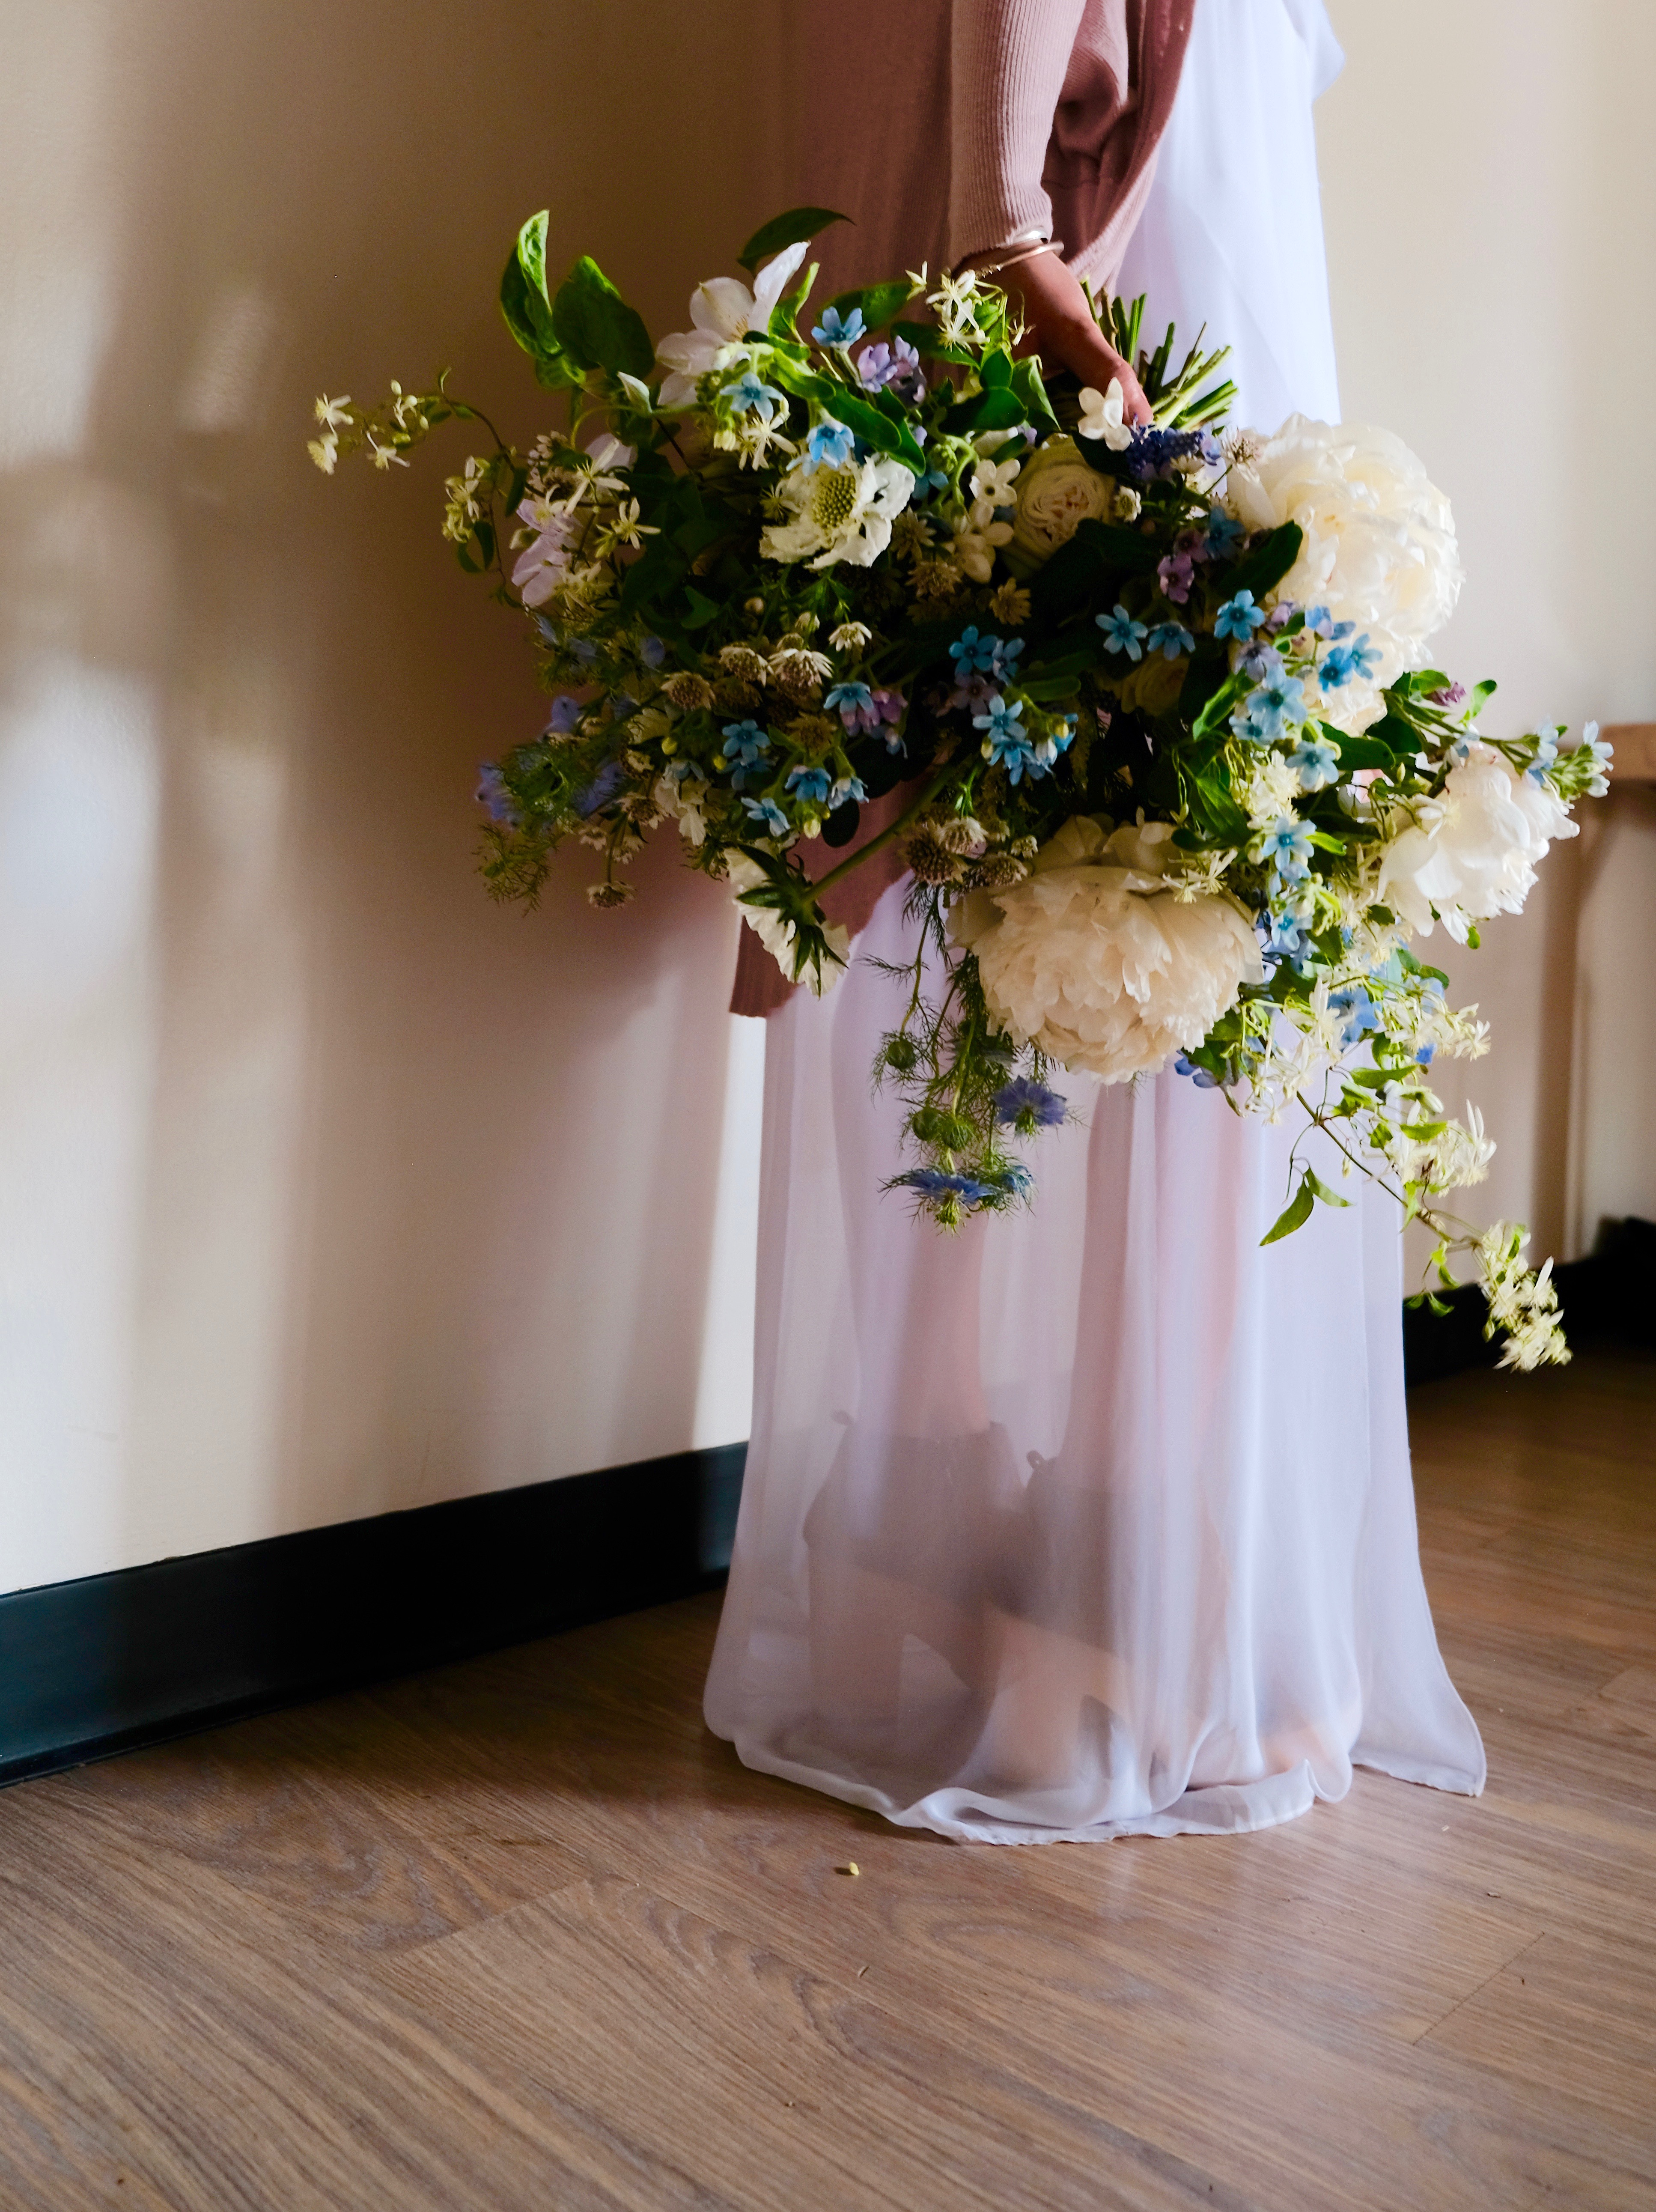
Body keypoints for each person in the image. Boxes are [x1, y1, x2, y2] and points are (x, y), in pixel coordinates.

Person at [705, 0, 1487, 1842]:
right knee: (1174, 858)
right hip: (1097, 213)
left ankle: (923, 1529)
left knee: (961, 833)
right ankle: (1128, 1580)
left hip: (983, 166)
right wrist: (1011, 230)